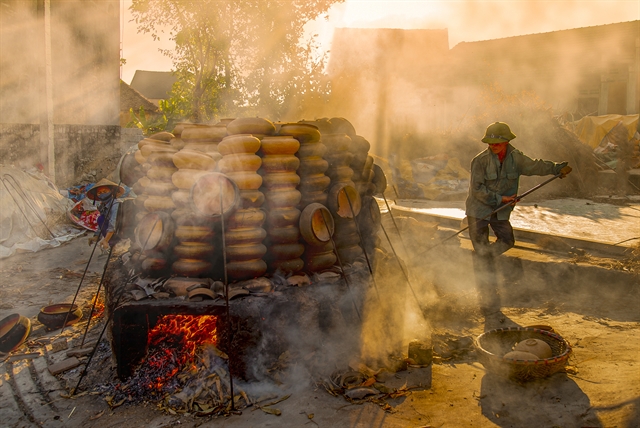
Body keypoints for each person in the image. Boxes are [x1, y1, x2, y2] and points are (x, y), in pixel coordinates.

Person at [465, 122, 572, 316]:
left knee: (506, 241)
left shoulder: (516, 158)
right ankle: (488, 302)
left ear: (507, 141)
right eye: (490, 142)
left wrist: (556, 168)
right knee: (482, 254)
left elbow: (535, 166)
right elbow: (477, 189)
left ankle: (483, 258)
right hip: (478, 211)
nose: (493, 145)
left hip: (500, 211)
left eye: (497, 142)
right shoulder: (479, 161)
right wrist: (500, 198)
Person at [86, 179, 125, 253]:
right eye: (99, 193)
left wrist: (106, 240)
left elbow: (113, 223)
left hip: (121, 230)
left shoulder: (116, 204)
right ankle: (111, 245)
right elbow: (102, 223)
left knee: (102, 219)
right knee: (101, 219)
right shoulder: (102, 206)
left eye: (105, 191)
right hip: (114, 229)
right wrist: (96, 236)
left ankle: (115, 246)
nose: (102, 194)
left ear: (111, 191)